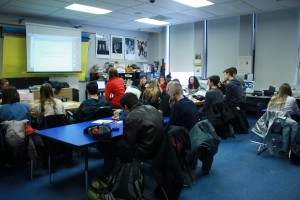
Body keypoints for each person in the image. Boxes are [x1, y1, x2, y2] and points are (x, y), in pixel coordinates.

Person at [103, 93, 164, 176]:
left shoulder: (131, 117)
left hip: (145, 151)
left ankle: (112, 174)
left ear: (125, 107)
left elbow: (128, 144)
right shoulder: (153, 109)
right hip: (159, 147)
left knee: (109, 144)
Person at [267, 83, 299, 155]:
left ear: (280, 90)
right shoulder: (292, 99)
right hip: (281, 122)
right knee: (290, 124)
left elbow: (268, 110)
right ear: (289, 91)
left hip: (270, 123)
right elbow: (296, 112)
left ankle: (279, 150)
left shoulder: (273, 98)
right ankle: (291, 143)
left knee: (286, 126)